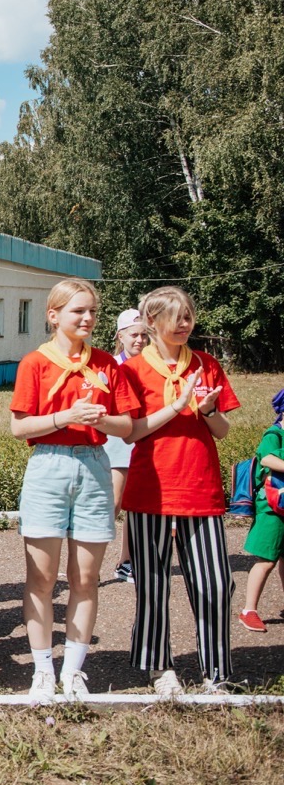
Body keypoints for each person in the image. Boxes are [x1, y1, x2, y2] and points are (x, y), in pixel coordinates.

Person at [10, 279, 139, 699]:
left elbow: (129, 427)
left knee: (85, 577)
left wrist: (99, 420)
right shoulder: (35, 363)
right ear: (54, 316)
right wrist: (67, 416)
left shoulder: (106, 364)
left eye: (92, 312)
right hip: (48, 465)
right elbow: (18, 426)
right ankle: (42, 669)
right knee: (42, 578)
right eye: (77, 311)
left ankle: (73, 670)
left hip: (93, 465)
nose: (87, 319)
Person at [121, 286, 239, 696]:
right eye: (176, 317)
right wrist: (176, 406)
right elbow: (133, 432)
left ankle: (217, 671)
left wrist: (207, 411)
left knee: (215, 583)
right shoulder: (133, 370)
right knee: (153, 582)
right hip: (150, 486)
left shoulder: (206, 364)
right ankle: (159, 667)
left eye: (188, 316)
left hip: (199, 485)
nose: (185, 324)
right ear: (151, 322)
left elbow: (223, 432)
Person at [105, 308, 148, 582]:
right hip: (116, 441)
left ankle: (126, 561)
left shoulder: (152, 365)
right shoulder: (109, 365)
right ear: (121, 335)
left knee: (137, 504)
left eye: (145, 335)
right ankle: (88, 565)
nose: (140, 340)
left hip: (144, 439)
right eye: (134, 335)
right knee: (114, 502)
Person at [240, 389, 284, 633]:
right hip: (272, 507)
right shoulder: (274, 434)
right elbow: (266, 458)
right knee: (266, 560)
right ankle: (249, 610)